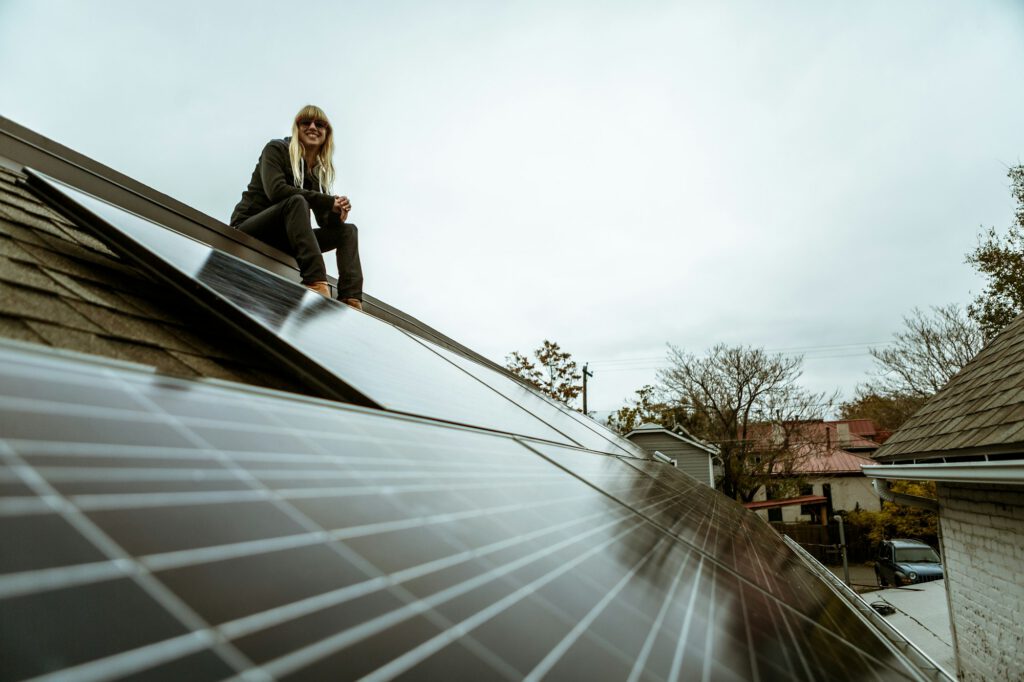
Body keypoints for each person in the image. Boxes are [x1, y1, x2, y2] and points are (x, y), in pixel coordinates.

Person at [230, 105, 363, 310]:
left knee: (348, 231)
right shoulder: (276, 149)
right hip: (250, 228)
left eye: (319, 124)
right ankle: (316, 282)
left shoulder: (318, 173)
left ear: (327, 134)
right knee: (297, 201)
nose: (312, 127)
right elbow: (276, 191)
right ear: (297, 128)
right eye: (305, 123)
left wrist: (336, 213)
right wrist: (328, 201)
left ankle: (351, 299)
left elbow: (323, 221)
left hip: (286, 239)